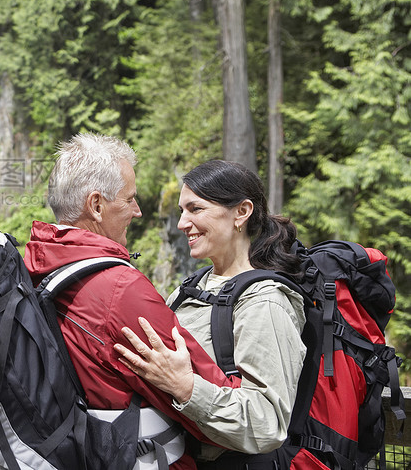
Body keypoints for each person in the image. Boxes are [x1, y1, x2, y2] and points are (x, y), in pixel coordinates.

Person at [23, 134, 238, 470]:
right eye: (129, 199)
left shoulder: (36, 270)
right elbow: (220, 413)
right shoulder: (119, 290)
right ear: (96, 205)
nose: (138, 211)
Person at [114, 159, 307, 467]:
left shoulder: (266, 301)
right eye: (181, 211)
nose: (182, 223)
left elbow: (266, 424)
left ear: (241, 212)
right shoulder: (189, 289)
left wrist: (186, 387)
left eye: (196, 209)